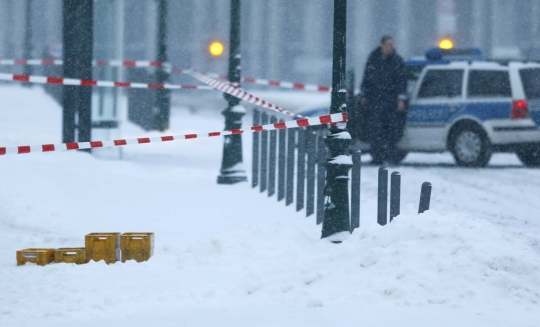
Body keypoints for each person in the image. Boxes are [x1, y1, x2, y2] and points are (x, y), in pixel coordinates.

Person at [358, 35, 407, 165]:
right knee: (375, 130)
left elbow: (402, 81)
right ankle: (377, 157)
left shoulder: (397, 61)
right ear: (382, 45)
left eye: (393, 44)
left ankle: (391, 157)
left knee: (392, 130)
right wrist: (363, 94)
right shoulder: (373, 59)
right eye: (389, 44)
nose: (392, 47)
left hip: (390, 101)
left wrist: (401, 98)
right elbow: (366, 78)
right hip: (375, 101)